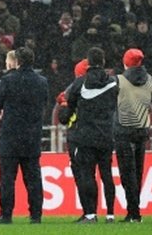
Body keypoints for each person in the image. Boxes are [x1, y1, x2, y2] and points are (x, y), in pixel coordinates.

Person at [0, 46, 49, 224]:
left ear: (16, 61)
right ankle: (36, 215)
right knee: (33, 177)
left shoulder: (7, 81)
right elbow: (44, 104)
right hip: (32, 136)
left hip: (10, 135)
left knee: (7, 178)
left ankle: (6, 214)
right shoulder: (42, 81)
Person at [63, 47, 117, 223]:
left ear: (88, 62)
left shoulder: (80, 83)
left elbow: (69, 109)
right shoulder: (113, 82)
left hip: (85, 136)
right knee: (107, 174)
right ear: (103, 62)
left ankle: (91, 214)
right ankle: (110, 214)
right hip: (106, 135)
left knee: (87, 175)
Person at [114, 48, 152, 223]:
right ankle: (135, 212)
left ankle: (133, 212)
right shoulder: (150, 80)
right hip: (142, 130)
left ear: (125, 63)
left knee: (127, 173)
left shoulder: (119, 80)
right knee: (138, 172)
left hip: (124, 130)